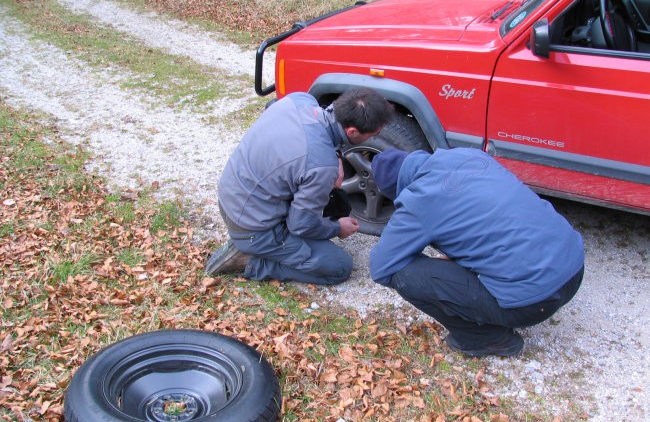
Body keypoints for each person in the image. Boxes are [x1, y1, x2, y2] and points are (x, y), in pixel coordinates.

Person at [369, 148, 584, 357]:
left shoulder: (418, 199)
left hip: (534, 303)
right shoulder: (469, 155)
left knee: (406, 275)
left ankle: (485, 339)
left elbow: (381, 268)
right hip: (575, 271)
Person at [206, 87, 394, 284]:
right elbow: (301, 225)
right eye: (373, 134)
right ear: (353, 132)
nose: (373, 138)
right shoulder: (321, 165)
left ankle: (253, 244)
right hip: (253, 230)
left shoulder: (299, 101)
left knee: (326, 199)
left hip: (230, 201)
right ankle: (249, 261)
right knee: (339, 266)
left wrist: (335, 155)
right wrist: (336, 228)